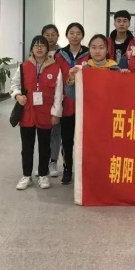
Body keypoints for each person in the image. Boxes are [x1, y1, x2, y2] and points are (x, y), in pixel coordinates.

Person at [10, 35, 63, 190]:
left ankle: (43, 175)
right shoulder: (23, 67)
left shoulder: (55, 68)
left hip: (46, 114)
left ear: (47, 49)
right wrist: (17, 96)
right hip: (27, 113)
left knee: (45, 147)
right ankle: (26, 175)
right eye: (36, 45)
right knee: (27, 147)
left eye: (42, 45)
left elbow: (58, 93)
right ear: (31, 49)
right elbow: (14, 85)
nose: (39, 48)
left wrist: (56, 113)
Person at [54, 23, 89, 184]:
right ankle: (67, 169)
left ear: (82, 36)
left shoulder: (89, 54)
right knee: (67, 140)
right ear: (67, 35)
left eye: (78, 33)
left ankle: (84, 170)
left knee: (85, 140)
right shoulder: (59, 55)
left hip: (85, 104)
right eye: (72, 33)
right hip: (66, 103)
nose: (75, 36)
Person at [41, 24, 63, 178]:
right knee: (42, 132)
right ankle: (43, 163)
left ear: (58, 36)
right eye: (47, 35)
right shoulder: (37, 52)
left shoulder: (62, 54)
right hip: (41, 98)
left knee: (56, 131)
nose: (50, 37)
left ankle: (53, 161)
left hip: (58, 96)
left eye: (53, 34)